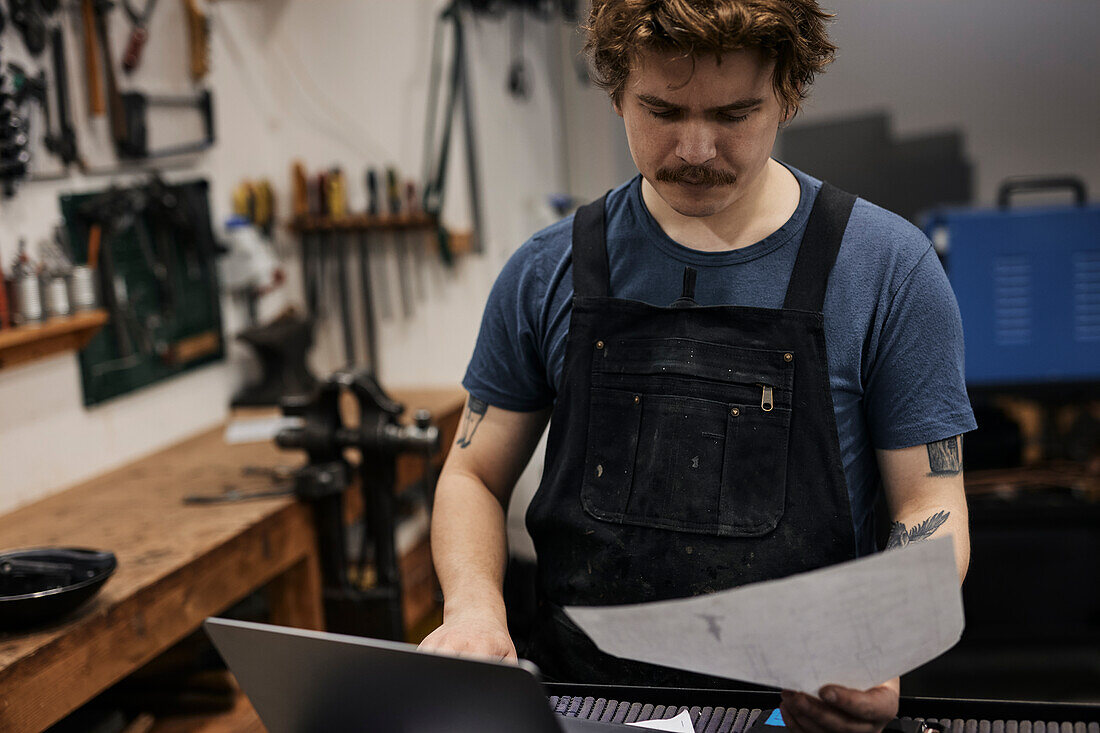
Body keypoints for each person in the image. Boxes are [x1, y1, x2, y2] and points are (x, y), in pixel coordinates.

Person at [421, 2, 975, 732]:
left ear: (787, 93)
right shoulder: (548, 269)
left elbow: (929, 500)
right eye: (662, 109)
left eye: (734, 114)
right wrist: (472, 610)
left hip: (798, 708)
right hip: (587, 705)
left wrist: (879, 637)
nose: (696, 149)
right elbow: (473, 473)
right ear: (617, 90)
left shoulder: (886, 269)